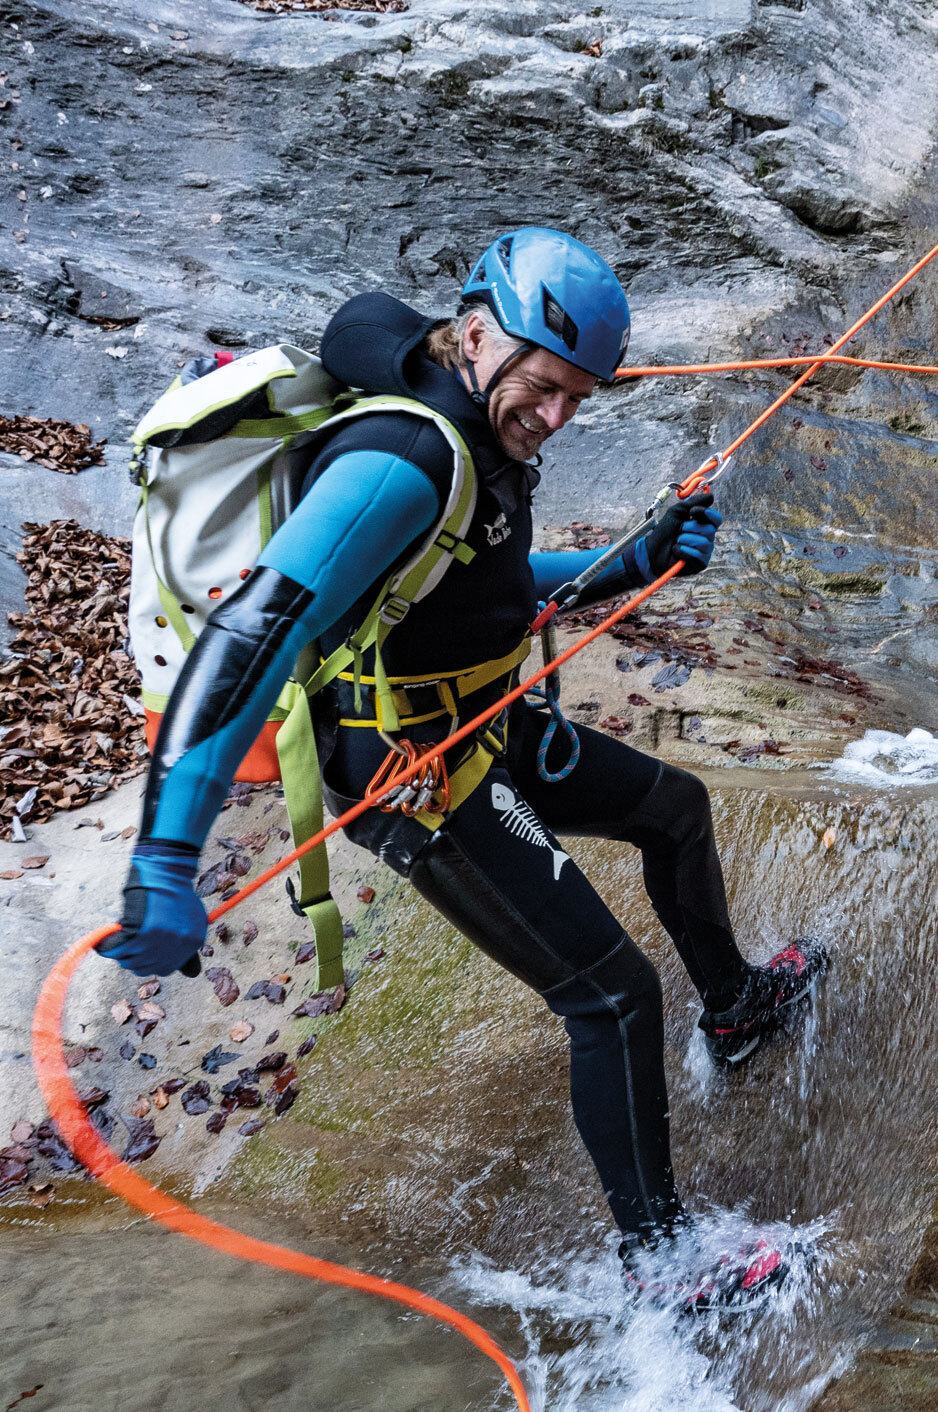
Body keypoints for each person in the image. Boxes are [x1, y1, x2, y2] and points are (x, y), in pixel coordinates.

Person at [103, 227, 823, 1309]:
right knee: (613, 995)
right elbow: (255, 633)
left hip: (480, 719)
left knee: (674, 809)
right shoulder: (404, 458)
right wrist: (168, 846)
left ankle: (733, 1008)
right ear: (476, 336)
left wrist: (624, 563)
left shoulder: (479, 434)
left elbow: (478, 583)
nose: (557, 417)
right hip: (411, 765)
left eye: (578, 397)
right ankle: (662, 1263)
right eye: (543, 388)